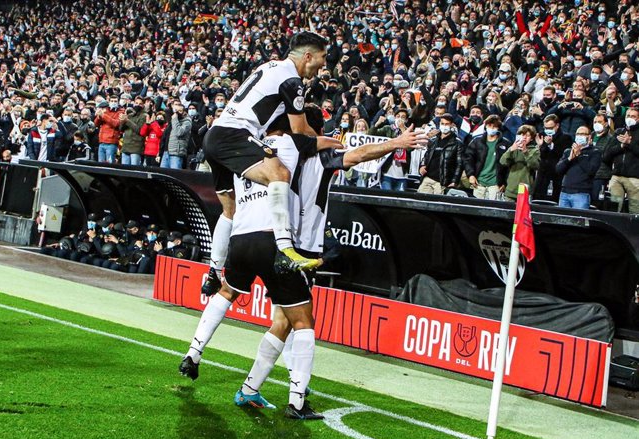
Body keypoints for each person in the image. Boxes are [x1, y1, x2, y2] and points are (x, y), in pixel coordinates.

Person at [180, 104, 427, 419]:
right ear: (312, 130)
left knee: (280, 320)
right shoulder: (315, 152)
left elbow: (228, 203)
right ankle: (296, 399)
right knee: (301, 321)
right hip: (297, 246)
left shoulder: (259, 152)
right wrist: (395, 143)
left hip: (253, 237)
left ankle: (246, 386)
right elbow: (356, 154)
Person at [199, 32, 340, 297]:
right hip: (235, 135)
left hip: (215, 135)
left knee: (230, 210)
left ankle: (214, 273)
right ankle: (285, 249)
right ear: (308, 56)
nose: (324, 64)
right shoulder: (292, 79)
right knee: (280, 173)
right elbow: (299, 128)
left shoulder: (270, 66)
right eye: (322, 57)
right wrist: (324, 138)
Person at [464, 115, 511, 200]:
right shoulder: (476, 141)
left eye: (494, 126)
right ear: (485, 125)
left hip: (495, 185)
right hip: (478, 183)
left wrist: (504, 183)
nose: (492, 128)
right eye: (489, 125)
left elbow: (509, 166)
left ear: (498, 128)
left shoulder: (505, 144)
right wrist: (470, 175)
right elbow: (468, 159)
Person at [555, 126, 601, 210]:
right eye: (578, 134)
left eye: (583, 134)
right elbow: (558, 169)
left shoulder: (595, 152)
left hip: (581, 194)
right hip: (564, 193)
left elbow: (591, 171)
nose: (580, 136)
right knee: (562, 221)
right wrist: (569, 159)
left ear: (589, 137)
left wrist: (579, 155)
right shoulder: (568, 151)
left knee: (578, 221)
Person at [417, 114, 464, 195]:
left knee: (438, 206)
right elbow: (426, 157)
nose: (444, 126)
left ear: (452, 125)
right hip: (427, 178)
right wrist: (421, 166)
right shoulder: (433, 141)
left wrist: (454, 181)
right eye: (442, 124)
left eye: (447, 124)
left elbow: (459, 164)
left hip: (442, 182)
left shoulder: (457, 143)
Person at [603, 108, 639, 213]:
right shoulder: (618, 132)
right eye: (628, 116)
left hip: (635, 179)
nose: (630, 118)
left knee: (635, 210)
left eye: (633, 116)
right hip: (616, 178)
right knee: (614, 208)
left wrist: (630, 144)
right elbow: (606, 155)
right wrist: (622, 146)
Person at [533, 114, 573, 202]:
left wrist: (550, 145)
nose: (548, 130)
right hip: (542, 175)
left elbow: (562, 155)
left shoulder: (566, 138)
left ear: (557, 126)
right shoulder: (541, 135)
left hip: (556, 175)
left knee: (554, 201)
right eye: (546, 128)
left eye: (550, 128)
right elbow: (542, 156)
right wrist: (541, 146)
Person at [500, 125, 541, 202]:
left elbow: (535, 165)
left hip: (525, 191)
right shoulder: (513, 148)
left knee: (522, 213)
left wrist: (525, 152)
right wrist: (511, 150)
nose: (524, 137)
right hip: (510, 190)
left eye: (527, 135)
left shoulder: (535, 151)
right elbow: (503, 162)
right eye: (522, 135)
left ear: (532, 138)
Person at [94, 98, 121, 163]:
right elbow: (96, 124)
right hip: (101, 141)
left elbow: (116, 123)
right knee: (100, 164)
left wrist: (103, 115)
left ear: (118, 102)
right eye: (112, 101)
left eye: (115, 101)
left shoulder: (120, 112)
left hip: (111, 142)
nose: (113, 102)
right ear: (109, 102)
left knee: (110, 164)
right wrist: (98, 116)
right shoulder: (105, 111)